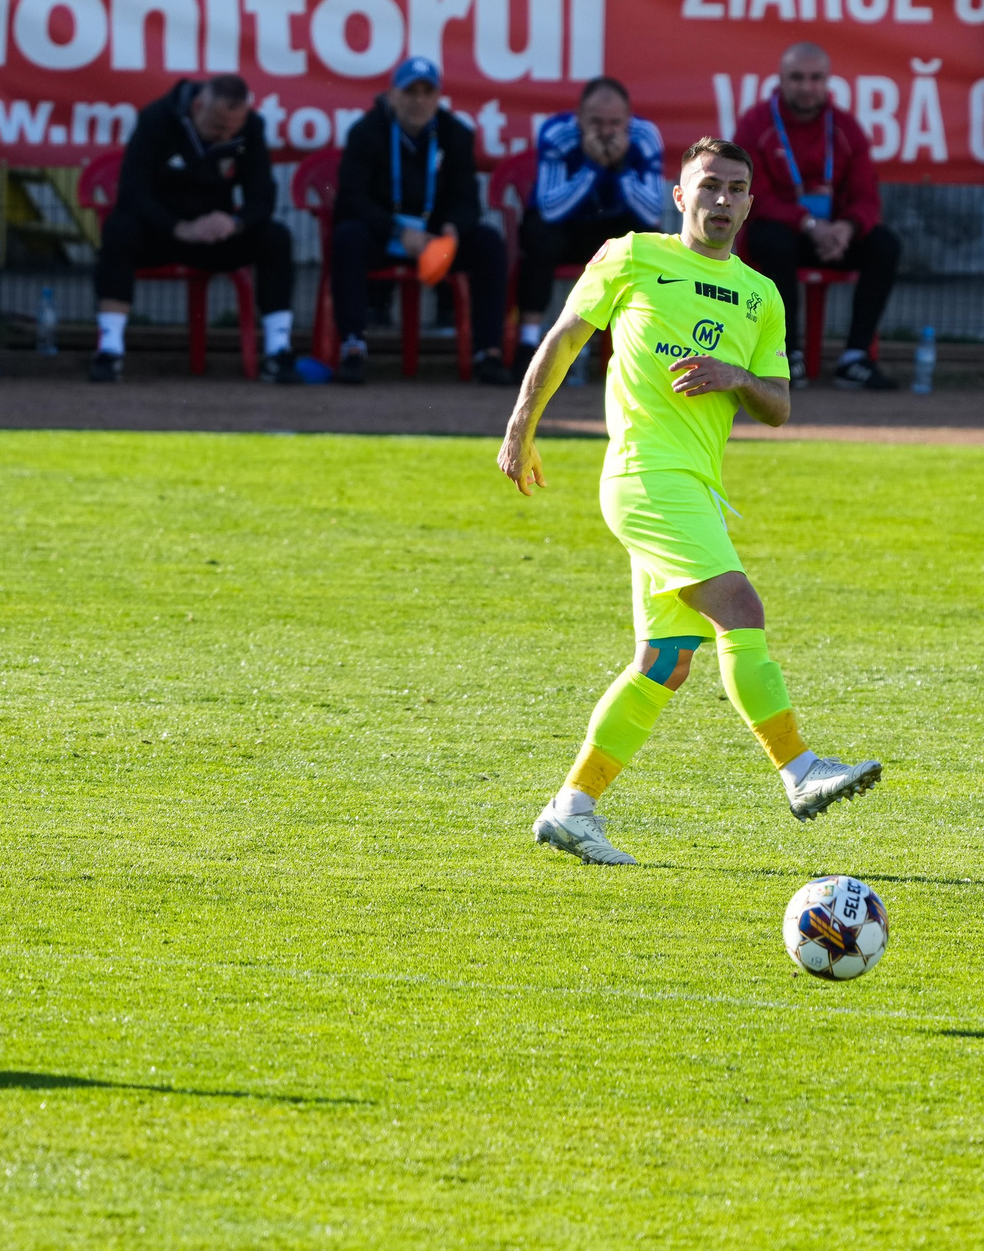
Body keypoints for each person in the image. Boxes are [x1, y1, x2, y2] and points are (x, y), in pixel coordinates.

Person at [498, 137, 884, 866]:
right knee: (741, 607)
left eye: (735, 189)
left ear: (750, 203)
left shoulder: (761, 294)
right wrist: (521, 428)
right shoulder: (633, 256)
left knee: (666, 660)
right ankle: (800, 769)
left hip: (697, 488)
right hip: (645, 477)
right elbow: (564, 338)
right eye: (708, 185)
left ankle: (572, 808)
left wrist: (736, 375)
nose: (722, 200)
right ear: (680, 196)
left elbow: (779, 406)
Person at [91, 74, 295, 384]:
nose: (224, 136)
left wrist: (235, 223)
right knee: (118, 230)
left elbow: (262, 197)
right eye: (218, 127)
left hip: (215, 238)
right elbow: (132, 192)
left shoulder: (251, 128)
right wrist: (178, 228)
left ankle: (278, 352)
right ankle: (109, 350)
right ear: (198, 106)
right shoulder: (156, 119)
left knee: (276, 237)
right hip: (161, 233)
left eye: (233, 130)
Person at [329, 57, 510, 386]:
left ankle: (488, 352)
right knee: (347, 237)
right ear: (392, 95)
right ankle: (353, 347)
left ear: (439, 97)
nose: (419, 100)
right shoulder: (366, 132)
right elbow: (351, 200)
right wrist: (398, 231)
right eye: (410, 92)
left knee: (488, 242)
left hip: (435, 239)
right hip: (385, 235)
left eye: (428, 92)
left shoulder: (456, 134)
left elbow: (468, 200)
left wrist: (452, 229)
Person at [732, 42, 901, 391]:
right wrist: (808, 224)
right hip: (782, 234)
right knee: (773, 240)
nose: (806, 87)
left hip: (833, 237)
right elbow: (753, 196)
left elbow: (867, 197)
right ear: (780, 80)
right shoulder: (755, 124)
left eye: (815, 78)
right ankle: (785, 355)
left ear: (827, 81)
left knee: (885, 244)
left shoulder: (846, 127)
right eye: (797, 78)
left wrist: (845, 228)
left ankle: (855, 358)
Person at [514, 77, 668, 355]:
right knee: (538, 235)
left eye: (615, 123)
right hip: (565, 229)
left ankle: (647, 342)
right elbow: (551, 210)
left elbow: (652, 212)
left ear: (628, 118)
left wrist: (621, 168)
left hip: (611, 233)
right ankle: (528, 342)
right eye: (596, 122)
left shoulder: (645, 135)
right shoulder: (557, 132)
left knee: (651, 242)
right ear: (579, 117)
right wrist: (591, 168)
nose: (606, 132)